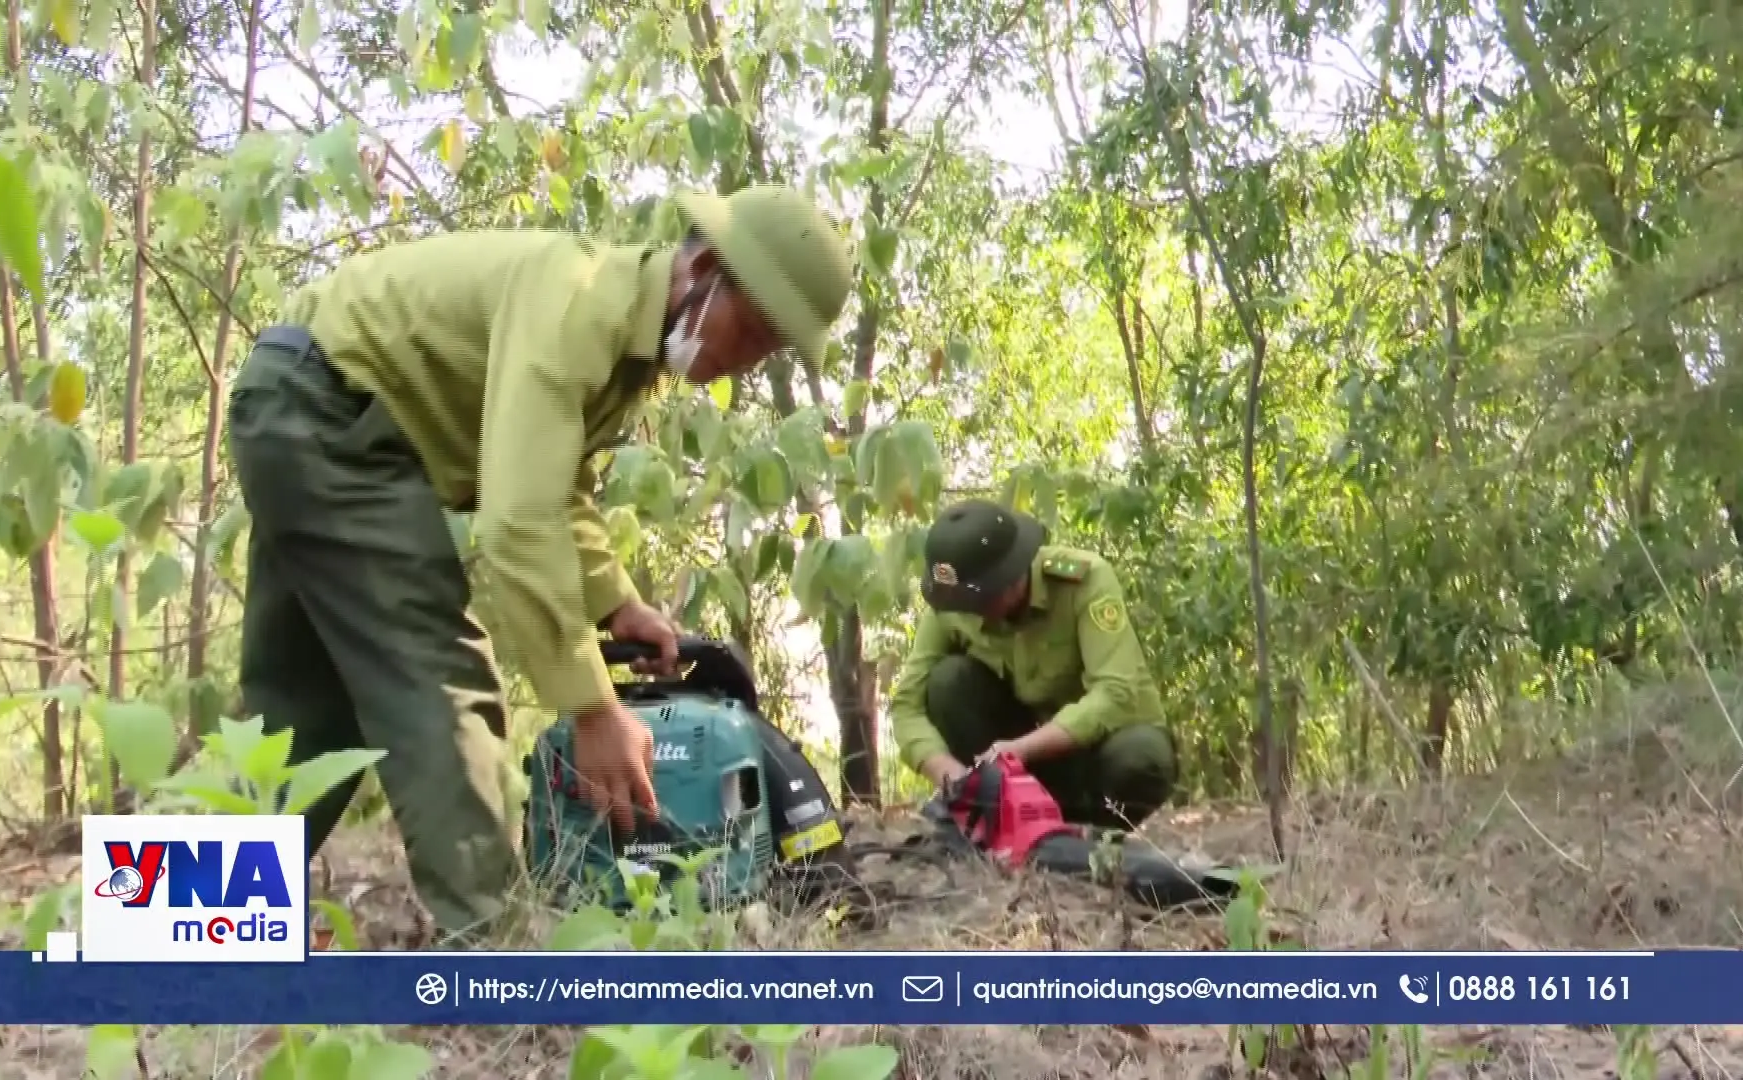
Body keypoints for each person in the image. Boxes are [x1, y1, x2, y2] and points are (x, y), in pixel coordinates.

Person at [227, 186, 852, 942]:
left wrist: (616, 602)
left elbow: (558, 491)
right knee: (441, 679)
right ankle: (499, 953)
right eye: (750, 334)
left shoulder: (623, 349)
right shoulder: (575, 305)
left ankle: (154, 921)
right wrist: (592, 707)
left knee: (299, 716)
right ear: (706, 270)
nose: (741, 368)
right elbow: (519, 523)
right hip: (330, 415)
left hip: (303, 408)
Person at [888, 499, 1178, 829]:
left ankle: (1094, 833)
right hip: (1027, 756)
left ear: (1012, 580)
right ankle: (1005, 817)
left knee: (1140, 757)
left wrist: (1020, 750)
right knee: (948, 681)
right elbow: (906, 706)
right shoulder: (953, 603)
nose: (968, 611)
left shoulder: (1084, 580)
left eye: (978, 602)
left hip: (1101, 748)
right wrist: (949, 774)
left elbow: (1115, 692)